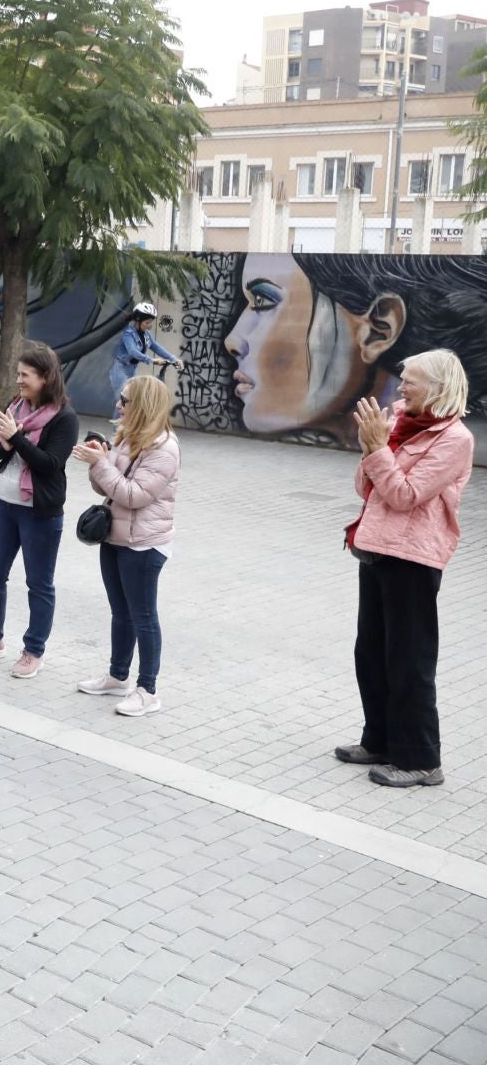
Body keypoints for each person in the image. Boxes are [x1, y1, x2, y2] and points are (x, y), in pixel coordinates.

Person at [339, 349, 473, 788]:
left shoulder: (454, 439)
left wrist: (378, 449)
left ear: (436, 387)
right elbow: (367, 487)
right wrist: (370, 448)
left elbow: (405, 494)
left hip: (413, 559)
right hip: (377, 547)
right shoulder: (395, 421)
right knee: (371, 653)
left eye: (410, 379)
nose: (401, 385)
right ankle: (379, 740)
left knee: (409, 661)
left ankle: (421, 759)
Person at [222, 255, 487, 444]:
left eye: (262, 300)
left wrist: (377, 452)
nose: (232, 341)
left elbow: (404, 496)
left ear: (378, 328)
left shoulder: (447, 442)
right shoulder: (397, 432)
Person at [0, 342, 80, 678]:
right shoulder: (16, 406)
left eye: (25, 375)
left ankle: (33, 650)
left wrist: (18, 438)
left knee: (39, 584)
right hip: (4, 507)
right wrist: (3, 441)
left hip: (39, 513)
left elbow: (50, 465)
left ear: (45, 378)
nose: (19, 380)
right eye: (19, 374)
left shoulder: (64, 419)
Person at [72, 374, 180, 717]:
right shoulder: (127, 437)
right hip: (116, 536)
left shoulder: (164, 449)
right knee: (121, 612)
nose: (118, 404)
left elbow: (133, 496)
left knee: (143, 616)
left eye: (125, 399)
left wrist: (100, 465)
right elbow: (107, 489)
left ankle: (148, 689)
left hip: (144, 545)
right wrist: (98, 461)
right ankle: (117, 676)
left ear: (143, 405)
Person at [109, 303, 178, 420]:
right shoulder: (128, 334)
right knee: (123, 402)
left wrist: (173, 359)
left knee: (132, 402)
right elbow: (132, 351)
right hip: (120, 370)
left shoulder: (146, 335)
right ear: (138, 320)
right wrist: (151, 360)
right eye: (147, 322)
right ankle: (117, 434)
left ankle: (127, 431)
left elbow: (156, 347)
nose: (149, 325)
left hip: (132, 370)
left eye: (151, 322)